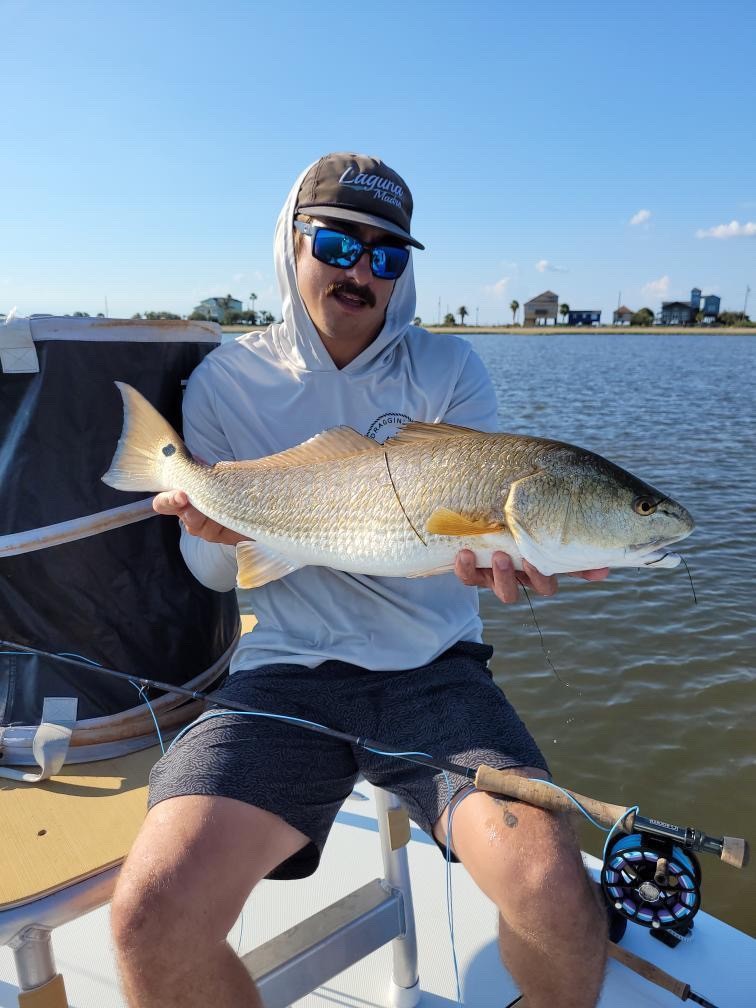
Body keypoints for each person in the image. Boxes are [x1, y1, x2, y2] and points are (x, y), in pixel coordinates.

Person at [110, 153, 610, 1008]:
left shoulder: (450, 371)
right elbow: (212, 574)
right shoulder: (228, 380)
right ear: (292, 241)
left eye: (387, 255)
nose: (360, 270)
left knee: (558, 897)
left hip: (435, 674)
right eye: (339, 242)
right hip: (285, 674)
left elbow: (476, 529)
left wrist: (505, 561)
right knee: (150, 915)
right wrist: (211, 530)